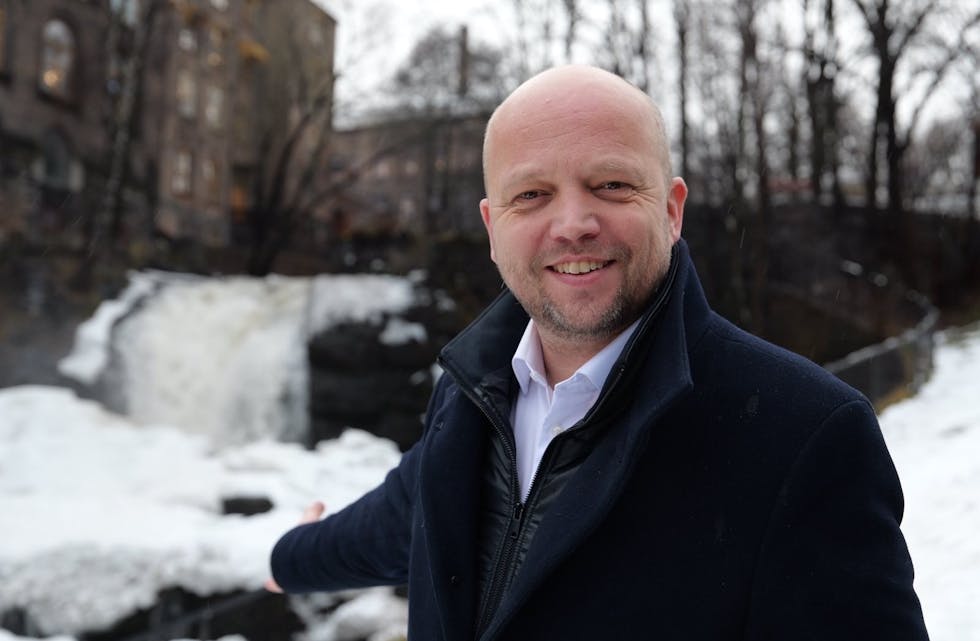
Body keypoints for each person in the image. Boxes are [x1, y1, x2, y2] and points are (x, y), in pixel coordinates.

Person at [268, 65, 929, 640]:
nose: (573, 223)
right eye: (532, 194)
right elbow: (404, 516)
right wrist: (287, 557)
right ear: (494, 229)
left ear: (672, 210)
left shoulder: (805, 435)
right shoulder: (471, 393)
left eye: (611, 184)